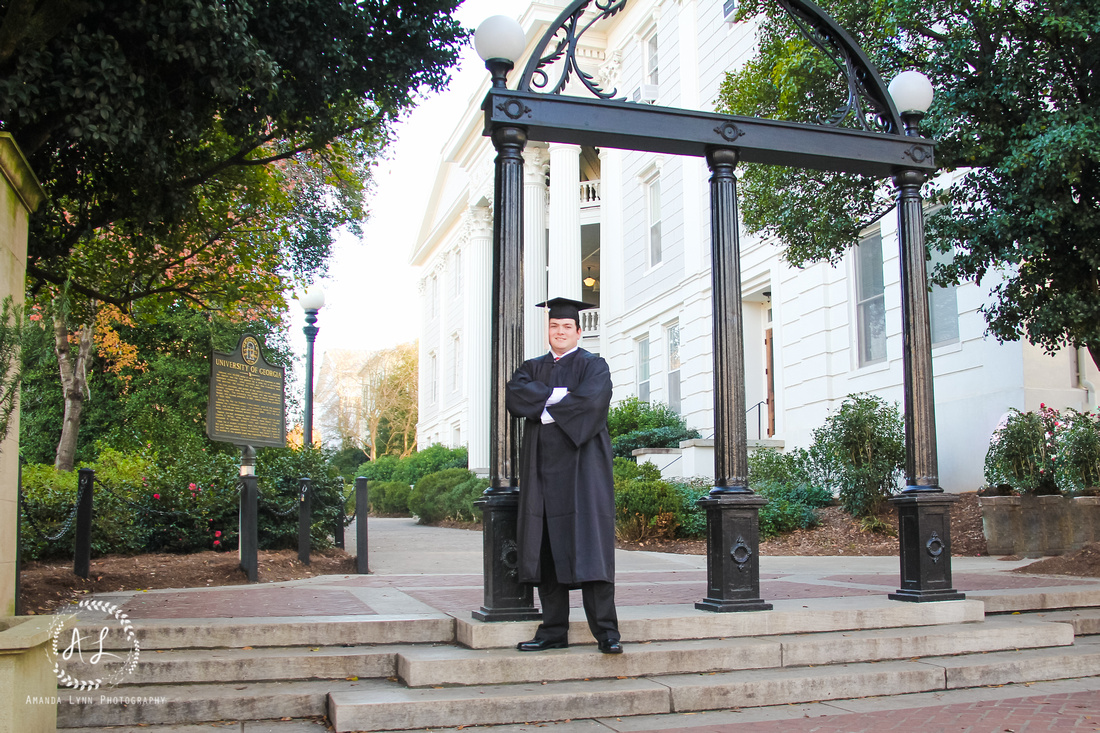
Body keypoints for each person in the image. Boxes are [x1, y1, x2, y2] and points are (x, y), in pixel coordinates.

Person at [505, 297, 622, 654]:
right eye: (554, 326)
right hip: (541, 471)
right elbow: (515, 396)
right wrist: (559, 398)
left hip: (584, 469)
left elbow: (592, 403)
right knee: (545, 548)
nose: (559, 332)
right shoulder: (531, 366)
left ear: (578, 331)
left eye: (566, 327)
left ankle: (607, 634)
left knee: (591, 549)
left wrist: (543, 407)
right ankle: (553, 632)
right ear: (548, 330)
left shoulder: (594, 365)